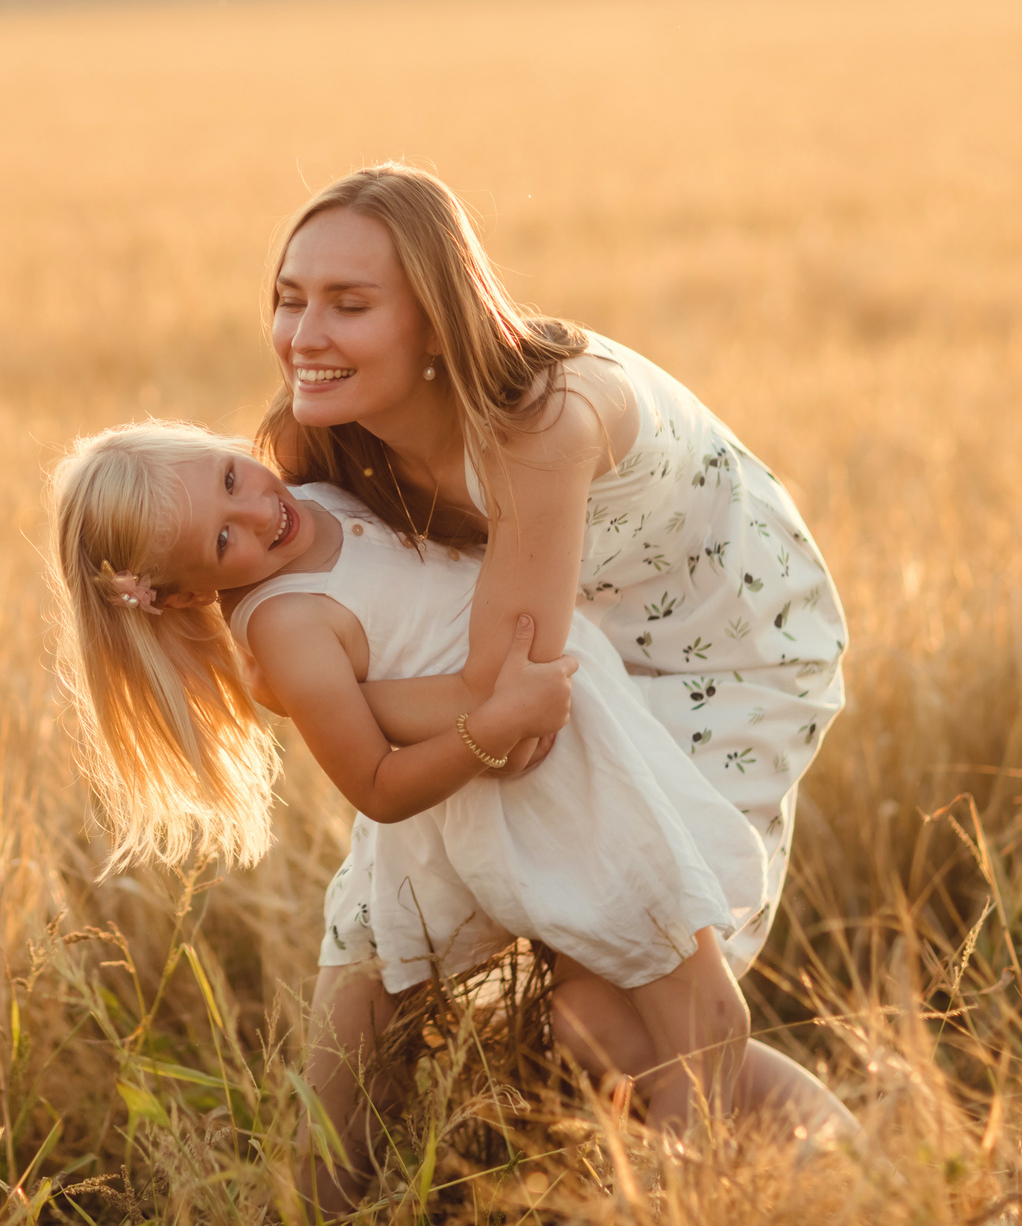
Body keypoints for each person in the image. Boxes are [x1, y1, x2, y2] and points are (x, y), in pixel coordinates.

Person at [48, 422, 849, 1209]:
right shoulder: (286, 622)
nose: (259, 513)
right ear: (190, 592)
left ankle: (846, 1169)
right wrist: (491, 727)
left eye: (229, 478)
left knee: (613, 1029)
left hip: (580, 755)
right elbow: (377, 782)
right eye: (225, 542)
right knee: (698, 1015)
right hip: (543, 798)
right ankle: (763, 1185)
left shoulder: (319, 486)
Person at [259, 162, 851, 1150]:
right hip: (553, 653)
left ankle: (872, 1184)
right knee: (371, 941)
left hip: (716, 660)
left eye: (348, 305)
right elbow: (297, 633)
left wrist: (332, 698)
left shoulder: (539, 418)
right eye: (288, 298)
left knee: (614, 1014)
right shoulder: (330, 436)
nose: (304, 336)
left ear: (437, 323)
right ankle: (322, 1203)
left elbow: (506, 706)